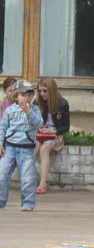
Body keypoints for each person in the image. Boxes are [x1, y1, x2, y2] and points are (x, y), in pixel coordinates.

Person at [0, 80, 43, 211]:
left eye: (30, 95)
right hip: (9, 148)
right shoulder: (9, 111)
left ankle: (28, 203)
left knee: (28, 178)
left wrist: (28, 112)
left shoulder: (35, 110)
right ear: (16, 96)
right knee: (2, 175)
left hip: (27, 149)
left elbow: (39, 123)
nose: (27, 98)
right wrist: (0, 142)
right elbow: (2, 128)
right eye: (23, 95)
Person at [33, 77, 70, 194]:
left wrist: (54, 131)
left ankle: (42, 184)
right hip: (40, 135)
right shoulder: (37, 103)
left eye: (45, 91)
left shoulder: (63, 104)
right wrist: (40, 128)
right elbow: (32, 122)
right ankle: (28, 180)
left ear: (52, 90)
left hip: (55, 136)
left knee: (44, 149)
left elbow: (66, 127)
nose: (42, 94)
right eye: (40, 91)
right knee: (33, 147)